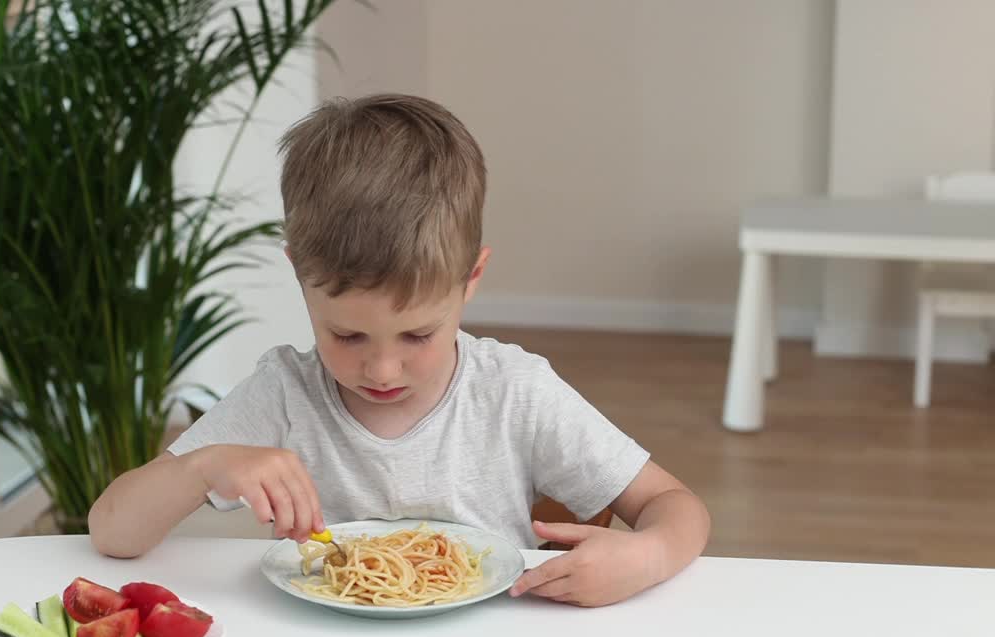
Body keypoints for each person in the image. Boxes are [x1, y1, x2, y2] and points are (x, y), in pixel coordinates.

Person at [88, 93, 710, 607]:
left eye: (418, 335)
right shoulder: (282, 393)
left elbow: (674, 505)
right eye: (347, 335)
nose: (381, 370)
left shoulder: (514, 391)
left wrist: (648, 554)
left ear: (472, 279)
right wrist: (205, 464)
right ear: (300, 279)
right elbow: (112, 532)